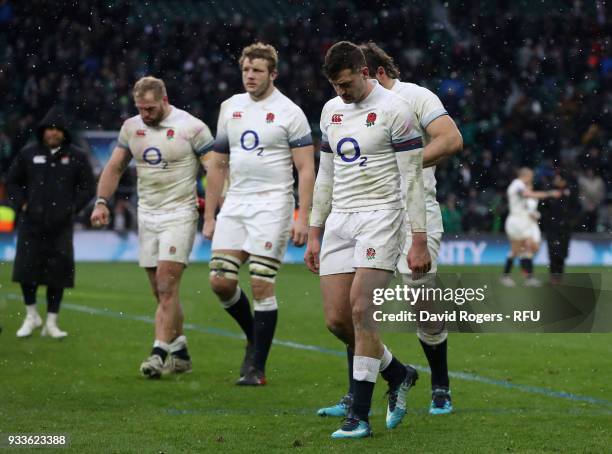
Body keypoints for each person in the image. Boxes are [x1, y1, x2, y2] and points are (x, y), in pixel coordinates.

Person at [316, 42, 463, 419]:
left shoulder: (413, 97)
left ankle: (440, 385)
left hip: (415, 208)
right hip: (365, 212)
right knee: (355, 304)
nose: (342, 91)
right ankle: (359, 392)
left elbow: (451, 139)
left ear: (374, 71)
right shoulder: (341, 110)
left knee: (421, 300)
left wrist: (401, 162)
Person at [305, 41, 431, 439]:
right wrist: (314, 230)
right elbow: (325, 174)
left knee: (362, 310)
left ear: (365, 71)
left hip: (382, 216)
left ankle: (358, 417)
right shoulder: (331, 110)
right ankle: (399, 373)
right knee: (338, 320)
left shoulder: (397, 110)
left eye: (346, 84)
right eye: (335, 85)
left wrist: (419, 240)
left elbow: (412, 179)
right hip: (340, 219)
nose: (341, 92)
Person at [203, 42, 315, 386]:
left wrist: (302, 216)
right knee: (220, 282)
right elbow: (218, 163)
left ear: (273, 74)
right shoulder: (230, 108)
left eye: (257, 71)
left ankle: (256, 367)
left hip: (273, 203)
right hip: (235, 203)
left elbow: (306, 168)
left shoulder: (289, 112)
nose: (250, 77)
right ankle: (255, 334)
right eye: (246, 70)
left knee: (261, 283)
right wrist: (209, 215)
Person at [90, 76, 214, 378]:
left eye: (151, 108)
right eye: (141, 109)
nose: (145, 115)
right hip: (146, 216)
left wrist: (214, 210)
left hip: (180, 213)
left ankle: (158, 352)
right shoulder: (131, 128)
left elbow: (216, 168)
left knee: (166, 286)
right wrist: (102, 202)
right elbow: (115, 166)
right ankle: (181, 352)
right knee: (161, 294)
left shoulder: (192, 127)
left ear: (164, 100)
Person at [6, 107, 95, 338]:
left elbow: (88, 187)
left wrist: (73, 208)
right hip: (31, 223)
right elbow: (12, 182)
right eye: (49, 129)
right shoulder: (28, 154)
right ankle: (31, 315)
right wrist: (22, 204)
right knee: (27, 270)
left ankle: (52, 323)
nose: (53, 133)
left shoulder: (76, 156)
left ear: (64, 133)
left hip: (61, 226)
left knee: (59, 273)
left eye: (57, 129)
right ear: (42, 131)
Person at [501, 168, 560, 287]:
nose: (532, 178)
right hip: (517, 222)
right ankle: (510, 276)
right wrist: (549, 193)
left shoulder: (521, 188)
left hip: (524, 223)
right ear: (526, 175)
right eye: (531, 176)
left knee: (525, 250)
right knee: (520, 249)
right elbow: (526, 194)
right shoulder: (517, 184)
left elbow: (528, 205)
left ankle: (526, 277)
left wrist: (535, 215)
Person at [541, 171, 579, 284]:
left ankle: (560, 275)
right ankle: (553, 276)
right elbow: (543, 208)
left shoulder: (571, 193)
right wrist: (546, 221)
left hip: (565, 228)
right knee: (553, 252)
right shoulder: (549, 192)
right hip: (552, 227)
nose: (555, 181)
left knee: (562, 252)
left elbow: (577, 209)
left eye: (558, 179)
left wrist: (571, 221)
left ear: (564, 181)